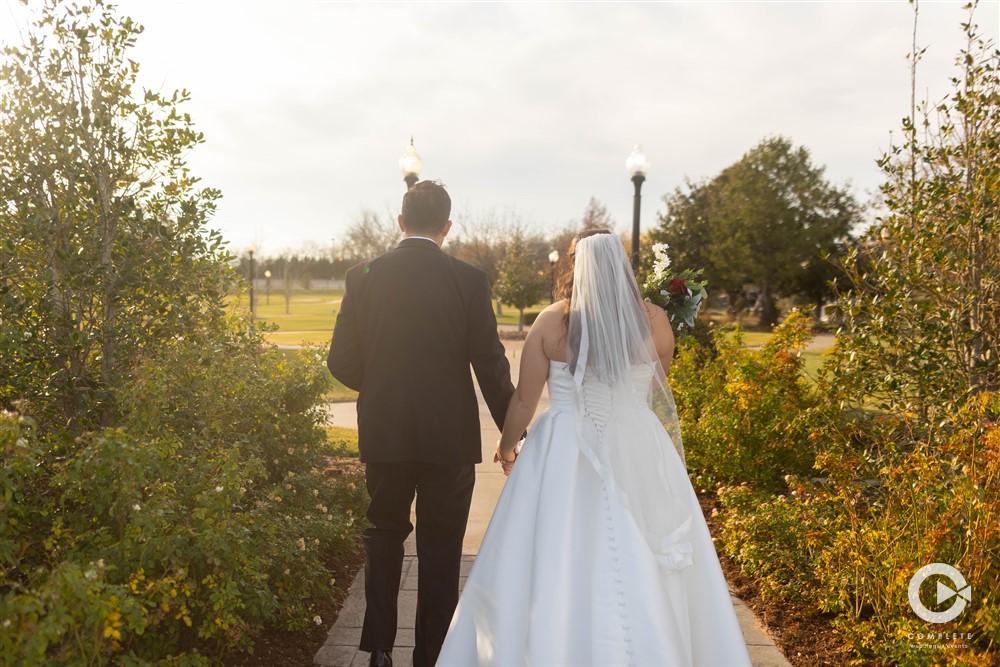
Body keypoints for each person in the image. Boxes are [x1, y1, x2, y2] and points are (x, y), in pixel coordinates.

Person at [437, 230, 753, 666]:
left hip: (562, 448)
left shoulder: (552, 321)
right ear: (623, 269)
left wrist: (508, 448)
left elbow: (526, 400)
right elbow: (656, 382)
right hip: (638, 443)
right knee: (642, 547)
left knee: (555, 548)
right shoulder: (656, 320)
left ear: (574, 266)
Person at [327, 180, 516, 667]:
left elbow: (341, 359)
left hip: (385, 432)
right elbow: (489, 364)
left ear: (400, 221)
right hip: (448, 438)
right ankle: (430, 655)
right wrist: (512, 431)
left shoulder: (362, 275)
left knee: (383, 534)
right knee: (442, 548)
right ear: (447, 228)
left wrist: (381, 386)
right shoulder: (468, 279)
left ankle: (380, 649)